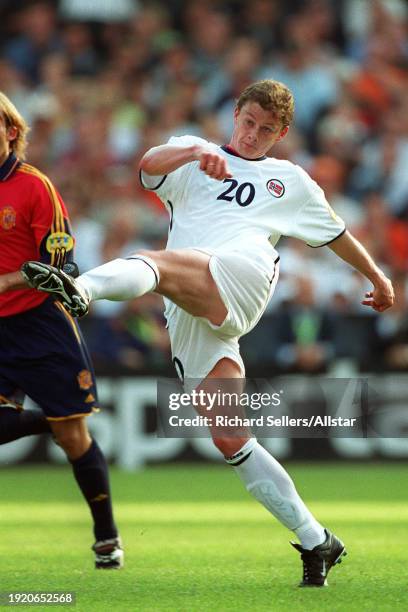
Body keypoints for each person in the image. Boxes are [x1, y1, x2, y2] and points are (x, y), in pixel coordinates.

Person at [22, 79, 394, 586]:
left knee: (155, 261)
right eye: (247, 123)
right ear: (234, 114)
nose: (253, 136)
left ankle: (80, 290)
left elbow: (338, 234)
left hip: (244, 273)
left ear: (281, 133)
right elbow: (147, 166)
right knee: (230, 436)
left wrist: (375, 276)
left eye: (266, 130)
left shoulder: (290, 181)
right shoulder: (191, 154)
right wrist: (195, 149)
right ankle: (317, 541)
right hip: (193, 305)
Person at [0, 92, 123, 569]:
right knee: (61, 424)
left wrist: (6, 281)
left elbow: (58, 265)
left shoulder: (34, 187)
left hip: (39, 323)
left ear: (12, 131)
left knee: (74, 438)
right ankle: (49, 417)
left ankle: (107, 537)